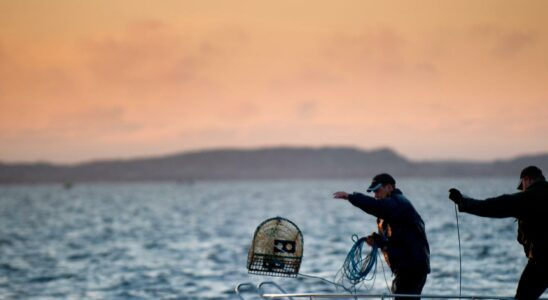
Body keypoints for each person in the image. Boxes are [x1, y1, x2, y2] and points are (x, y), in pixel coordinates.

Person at [448, 165, 548, 300]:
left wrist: (462, 201)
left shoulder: (529, 198)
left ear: (527, 180)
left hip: (542, 262)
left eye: (522, 185)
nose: (523, 189)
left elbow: (492, 206)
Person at [333, 173, 430, 299]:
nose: (376, 195)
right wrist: (377, 240)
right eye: (374, 192)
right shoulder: (390, 209)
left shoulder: (399, 203)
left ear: (389, 187)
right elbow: (394, 241)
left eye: (377, 191)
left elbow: (376, 206)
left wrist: (351, 197)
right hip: (406, 267)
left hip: (412, 267)